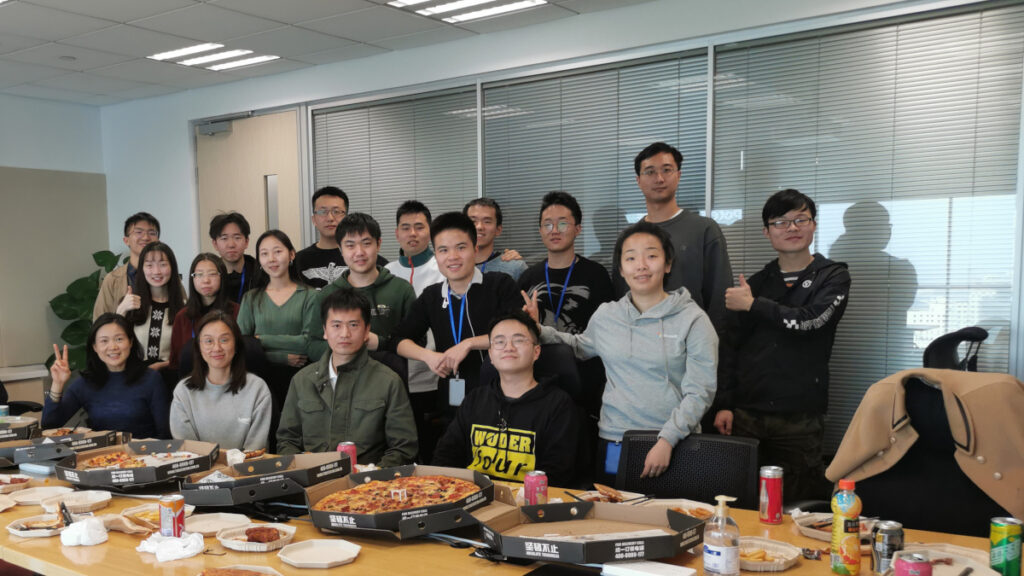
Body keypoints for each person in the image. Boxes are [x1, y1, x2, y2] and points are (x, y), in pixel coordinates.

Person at [525, 221, 718, 483]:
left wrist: (668, 439)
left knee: (669, 509)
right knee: (612, 506)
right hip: (615, 438)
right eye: (631, 258)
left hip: (675, 442)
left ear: (668, 264)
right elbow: (579, 346)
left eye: (651, 256)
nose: (641, 265)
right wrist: (538, 329)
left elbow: (701, 391)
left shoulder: (693, 319)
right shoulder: (607, 315)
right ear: (622, 269)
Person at [714, 189, 850, 502]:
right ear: (767, 232)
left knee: (798, 505)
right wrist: (724, 403)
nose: (791, 228)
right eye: (780, 222)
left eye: (800, 219)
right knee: (742, 502)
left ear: (813, 225)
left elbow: (811, 321)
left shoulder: (832, 277)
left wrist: (753, 305)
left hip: (800, 417)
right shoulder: (756, 283)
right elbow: (730, 348)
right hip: (747, 414)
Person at [391, 212, 521, 410]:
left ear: (475, 249)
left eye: (461, 247)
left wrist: (469, 344)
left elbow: (519, 332)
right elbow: (398, 340)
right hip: (452, 399)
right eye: (443, 250)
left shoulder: (500, 285)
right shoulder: (432, 296)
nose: (452, 257)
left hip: (503, 394)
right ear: (436, 255)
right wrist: (428, 356)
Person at [432, 311, 579, 486]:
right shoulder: (475, 399)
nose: (509, 347)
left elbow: (558, 472)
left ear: (536, 352)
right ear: (491, 355)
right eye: (500, 342)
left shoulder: (558, 404)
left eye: (518, 340)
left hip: (531, 498)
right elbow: (445, 456)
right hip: (473, 494)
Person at [277, 288, 418, 466]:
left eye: (353, 325)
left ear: (367, 331)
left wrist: (370, 474)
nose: (344, 334)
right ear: (324, 331)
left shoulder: (389, 381)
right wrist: (305, 472)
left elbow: (404, 448)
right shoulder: (302, 380)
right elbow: (287, 441)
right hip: (312, 477)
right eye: (336, 325)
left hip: (369, 479)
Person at [614, 142, 734, 335]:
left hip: (692, 340)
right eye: (650, 172)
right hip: (640, 340)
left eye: (667, 170)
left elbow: (720, 298)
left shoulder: (704, 229)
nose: (659, 178)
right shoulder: (629, 238)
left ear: (678, 175)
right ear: (638, 180)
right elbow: (621, 295)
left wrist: (711, 344)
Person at [237, 230, 319, 440]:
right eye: (264, 254)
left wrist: (261, 339)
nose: (271, 259)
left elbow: (308, 343)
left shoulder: (309, 295)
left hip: (301, 378)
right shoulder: (251, 298)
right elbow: (242, 345)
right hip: (260, 378)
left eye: (277, 251)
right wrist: (281, 357)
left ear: (291, 254)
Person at [384, 201, 445, 462]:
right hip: (393, 376)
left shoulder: (443, 269)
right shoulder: (386, 272)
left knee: (431, 446)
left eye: (419, 227)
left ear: (429, 231)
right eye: (405, 227)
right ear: (396, 233)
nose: (412, 233)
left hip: (433, 374)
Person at [309, 213, 415, 361]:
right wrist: (348, 347)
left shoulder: (401, 290)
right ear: (340, 249)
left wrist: (381, 343)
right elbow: (313, 345)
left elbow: (418, 342)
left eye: (366, 243)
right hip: (341, 374)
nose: (359, 252)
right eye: (350, 245)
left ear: (378, 244)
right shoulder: (327, 295)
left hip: (391, 374)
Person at [45, 314, 170, 439]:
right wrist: (57, 384)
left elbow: (164, 433)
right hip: (101, 451)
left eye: (119, 339)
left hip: (143, 450)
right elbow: (49, 426)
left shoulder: (151, 379)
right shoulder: (86, 382)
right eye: (104, 341)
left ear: (131, 342)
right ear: (95, 347)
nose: (113, 347)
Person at [170, 311, 272, 451]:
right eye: (209, 341)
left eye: (224, 340)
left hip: (246, 465)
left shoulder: (257, 389)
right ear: (199, 347)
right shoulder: (183, 391)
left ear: (236, 345)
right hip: (198, 465)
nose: (217, 348)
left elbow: (255, 449)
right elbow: (187, 450)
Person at [518, 191, 613, 334]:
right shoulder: (528, 278)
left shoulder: (596, 274)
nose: (555, 230)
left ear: (577, 229)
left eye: (562, 224)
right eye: (548, 225)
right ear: (540, 231)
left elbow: (609, 328)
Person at [294, 186, 386, 289]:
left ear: (346, 217)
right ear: (314, 219)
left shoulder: (368, 260)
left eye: (336, 211)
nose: (330, 218)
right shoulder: (298, 262)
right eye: (322, 212)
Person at [118, 242, 186, 379]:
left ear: (172, 267)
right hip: (135, 378)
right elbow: (114, 344)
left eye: (163, 264)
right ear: (142, 269)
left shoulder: (184, 308)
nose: (156, 271)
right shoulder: (130, 303)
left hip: (171, 379)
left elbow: (188, 353)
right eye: (149, 265)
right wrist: (121, 311)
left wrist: (163, 365)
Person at [169, 253, 239, 372]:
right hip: (192, 376)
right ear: (192, 278)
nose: (206, 280)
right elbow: (176, 361)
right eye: (199, 275)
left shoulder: (236, 311)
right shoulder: (182, 316)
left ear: (222, 277)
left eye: (212, 274)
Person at [93, 212, 161, 319]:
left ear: (158, 241)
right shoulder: (112, 279)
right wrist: (121, 311)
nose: (146, 237)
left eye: (152, 233)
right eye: (139, 232)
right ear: (126, 240)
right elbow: (99, 322)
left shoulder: (167, 275)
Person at [464, 198, 527, 281]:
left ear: (498, 230)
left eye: (487, 221)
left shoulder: (515, 268)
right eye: (473, 221)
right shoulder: (451, 266)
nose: (479, 227)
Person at [209, 212, 257, 304]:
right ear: (215, 244)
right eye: (224, 238)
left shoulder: (260, 274)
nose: (231, 245)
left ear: (246, 242)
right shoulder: (208, 277)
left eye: (237, 238)